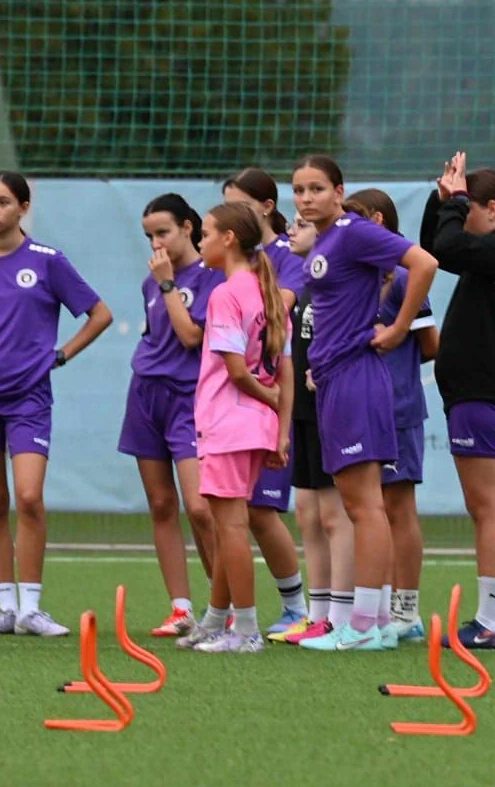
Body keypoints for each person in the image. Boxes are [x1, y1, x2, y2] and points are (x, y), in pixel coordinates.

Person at [0, 171, 113, 636]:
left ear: (23, 207)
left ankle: (32, 607)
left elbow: (100, 314)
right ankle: (5, 608)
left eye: (2, 201)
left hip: (28, 399)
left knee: (29, 497)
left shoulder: (47, 261)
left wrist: (61, 354)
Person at [291, 154, 438, 652]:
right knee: (362, 506)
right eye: (299, 190)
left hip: (358, 379)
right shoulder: (325, 242)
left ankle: (364, 627)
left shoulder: (353, 232)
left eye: (316, 189)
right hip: (333, 380)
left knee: (365, 506)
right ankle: (368, 623)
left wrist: (398, 329)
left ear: (338, 191)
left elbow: (424, 262)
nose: (306, 198)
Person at [177, 203, 293, 654]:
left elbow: (239, 372)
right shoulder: (267, 290)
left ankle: (245, 631)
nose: (200, 241)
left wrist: (271, 403)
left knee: (230, 526)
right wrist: (279, 428)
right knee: (231, 524)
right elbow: (282, 369)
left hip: (229, 420)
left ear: (228, 239)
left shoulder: (225, 295)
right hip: (253, 426)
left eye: (205, 233)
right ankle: (215, 620)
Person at [117, 194, 222, 637]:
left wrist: (165, 284)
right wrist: (160, 283)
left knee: (200, 507)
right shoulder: (152, 283)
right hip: (145, 396)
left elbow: (190, 337)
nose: (156, 243)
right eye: (149, 236)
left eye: (163, 232)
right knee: (161, 504)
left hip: (189, 399)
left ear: (188, 228)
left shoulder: (211, 278)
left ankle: (225, 604)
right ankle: (181, 609)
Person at [344, 189, 438, 643]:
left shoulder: (403, 274)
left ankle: (407, 611)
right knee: (368, 509)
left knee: (398, 508)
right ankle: (374, 611)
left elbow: (431, 343)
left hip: (398, 408)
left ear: (376, 220)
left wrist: (392, 347)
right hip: (360, 409)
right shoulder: (355, 274)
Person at [221, 169, 309, 634]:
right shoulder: (232, 262)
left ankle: (298, 606)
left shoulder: (284, 256)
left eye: (239, 205)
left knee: (259, 508)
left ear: (267, 208)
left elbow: (278, 307)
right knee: (229, 508)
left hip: (272, 396)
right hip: (233, 403)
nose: (231, 217)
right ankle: (224, 614)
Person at [274, 217, 359, 647]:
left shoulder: (337, 281)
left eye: (303, 224)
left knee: (335, 516)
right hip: (303, 412)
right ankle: (318, 614)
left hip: (331, 407)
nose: (292, 228)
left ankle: (345, 617)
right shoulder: (303, 284)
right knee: (307, 515)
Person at [424, 152, 495, 649]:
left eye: (469, 207)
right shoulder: (482, 254)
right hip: (475, 396)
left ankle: (490, 621)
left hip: (481, 396)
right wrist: (442, 199)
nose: (461, 215)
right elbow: (435, 248)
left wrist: (455, 202)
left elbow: (447, 247)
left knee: (487, 509)